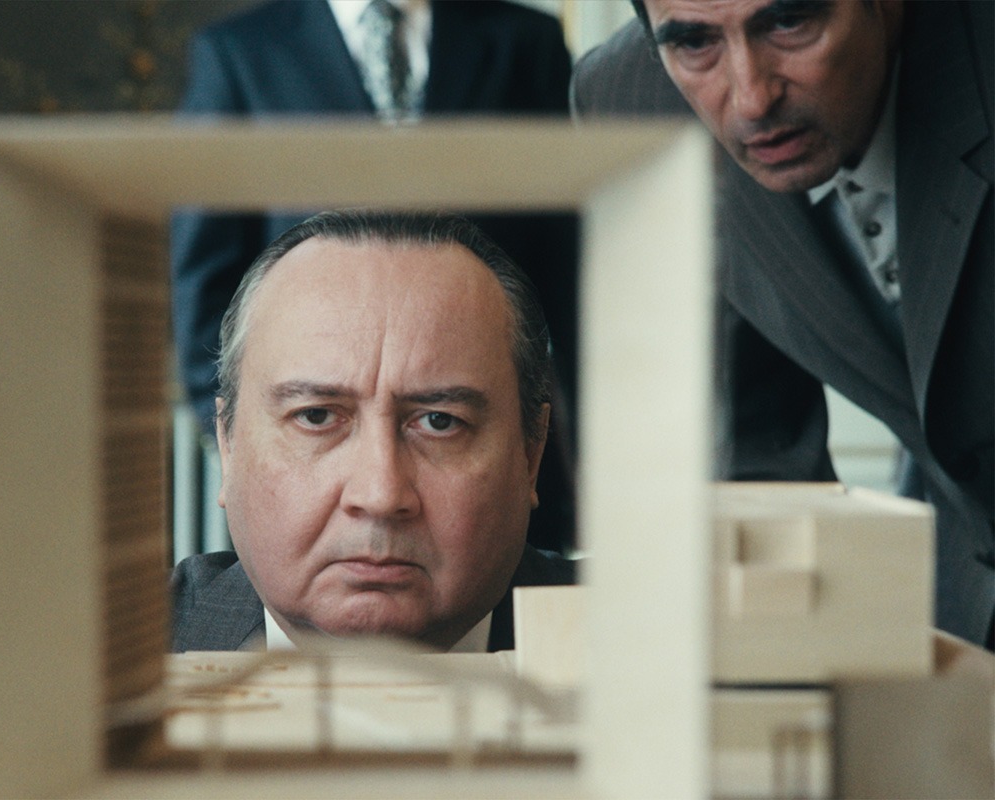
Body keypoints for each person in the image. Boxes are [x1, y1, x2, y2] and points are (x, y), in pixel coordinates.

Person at [572, 0, 993, 648]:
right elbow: (750, 461)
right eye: (694, 43)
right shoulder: (634, 102)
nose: (751, 99)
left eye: (790, 23)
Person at [172, 0, 580, 552]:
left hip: (472, 431)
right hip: (313, 437)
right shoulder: (240, 50)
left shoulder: (525, 41)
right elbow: (204, 269)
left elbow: (566, 262)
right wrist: (245, 444)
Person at [170, 211, 575, 653]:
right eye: (316, 417)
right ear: (228, 444)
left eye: (439, 421)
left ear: (531, 454)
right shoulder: (119, 649)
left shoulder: (631, 646)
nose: (380, 496)